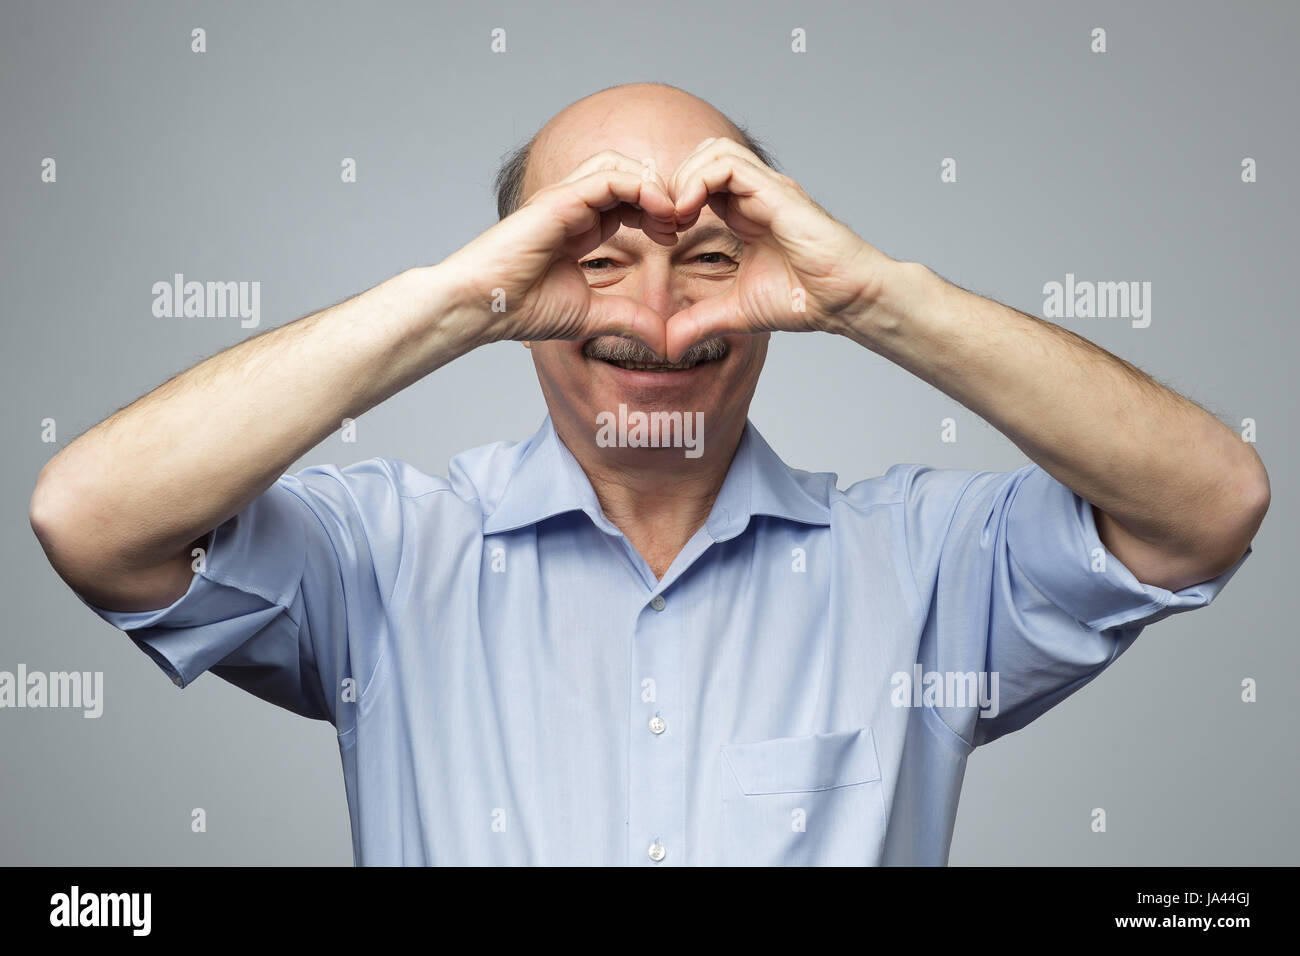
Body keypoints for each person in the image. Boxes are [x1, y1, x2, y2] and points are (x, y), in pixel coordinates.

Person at [29, 82, 1268, 865]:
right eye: (596, 259)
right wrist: (456, 299)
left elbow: (1208, 504)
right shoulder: (379, 560)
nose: (659, 317)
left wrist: (877, 296)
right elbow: (91, 518)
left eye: (715, 258)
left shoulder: (928, 566)